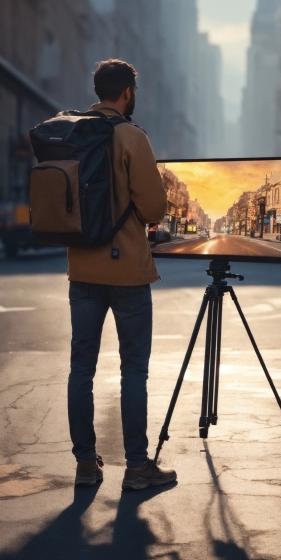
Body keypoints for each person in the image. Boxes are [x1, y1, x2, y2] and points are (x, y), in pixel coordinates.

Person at [67, 59, 176, 490]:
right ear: (128, 92)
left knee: (81, 369)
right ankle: (136, 467)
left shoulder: (72, 134)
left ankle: (85, 465)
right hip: (127, 270)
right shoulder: (132, 137)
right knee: (133, 371)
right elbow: (153, 209)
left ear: (98, 90)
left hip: (82, 269)